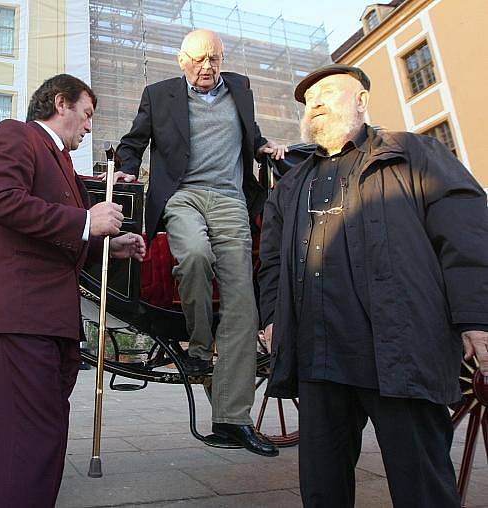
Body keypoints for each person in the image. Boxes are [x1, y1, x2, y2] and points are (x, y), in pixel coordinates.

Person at [258, 63, 488, 507]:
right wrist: (271, 318)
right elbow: (270, 263)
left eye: (327, 92)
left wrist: (477, 317)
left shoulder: (414, 154)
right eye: (309, 100)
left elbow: (467, 237)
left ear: (361, 100)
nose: (316, 103)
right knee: (323, 491)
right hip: (318, 357)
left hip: (398, 352)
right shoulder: (290, 185)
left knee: (422, 486)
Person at [0, 74, 146, 507]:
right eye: (86, 114)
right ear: (60, 102)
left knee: (45, 438)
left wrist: (109, 244)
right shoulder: (17, 134)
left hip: (53, 322)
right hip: (21, 317)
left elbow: (57, 239)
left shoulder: (64, 165)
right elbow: (1, 201)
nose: (89, 127)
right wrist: (88, 221)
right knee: (26, 445)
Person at [115, 28, 285, 456]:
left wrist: (267, 148)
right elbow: (133, 143)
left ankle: (233, 420)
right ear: (182, 60)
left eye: (214, 58)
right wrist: (126, 170)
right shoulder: (159, 95)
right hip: (182, 195)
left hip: (230, 199)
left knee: (241, 300)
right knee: (192, 254)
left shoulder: (241, 89)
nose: (207, 67)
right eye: (199, 59)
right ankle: (200, 346)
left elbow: (252, 134)